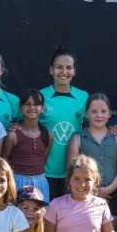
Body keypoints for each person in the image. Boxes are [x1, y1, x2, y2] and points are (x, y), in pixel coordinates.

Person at [39, 47, 90, 198]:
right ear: (51, 70)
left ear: (74, 71)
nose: (64, 72)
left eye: (69, 67)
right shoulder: (41, 96)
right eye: (59, 67)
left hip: (74, 173)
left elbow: (92, 128)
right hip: (45, 171)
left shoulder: (83, 97)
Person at [66, 92, 117, 214]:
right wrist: (93, 191)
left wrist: (107, 190)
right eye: (94, 111)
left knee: (110, 227)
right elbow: (71, 172)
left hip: (112, 196)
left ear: (109, 114)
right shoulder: (78, 139)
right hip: (83, 196)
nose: (99, 115)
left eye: (103, 111)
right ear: (86, 113)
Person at [2, 88, 51, 199]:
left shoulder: (48, 135)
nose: (32, 108)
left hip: (40, 182)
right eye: (28, 104)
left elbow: (44, 158)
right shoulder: (13, 135)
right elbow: (5, 158)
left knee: (40, 210)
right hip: (17, 182)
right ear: (21, 108)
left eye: (36, 104)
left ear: (42, 108)